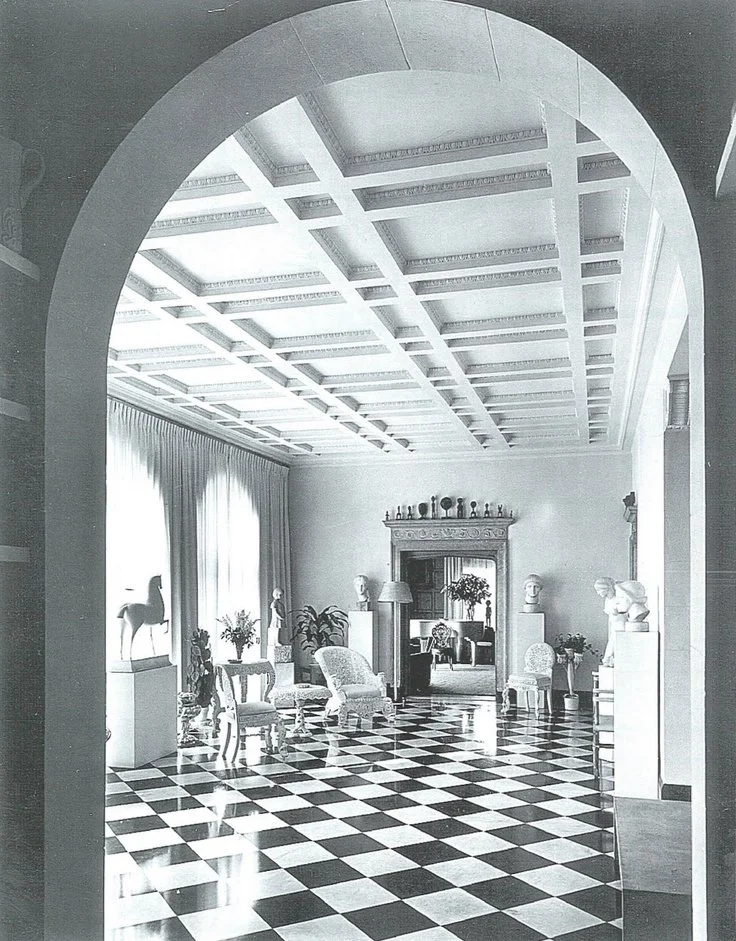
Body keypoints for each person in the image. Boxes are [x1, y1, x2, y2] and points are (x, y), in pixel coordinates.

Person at [594, 576, 627, 666]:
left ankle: (609, 658)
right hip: (613, 624)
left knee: (616, 642)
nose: (598, 593)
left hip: (621, 624)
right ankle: (608, 658)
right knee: (612, 641)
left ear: (606, 588)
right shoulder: (608, 600)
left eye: (599, 590)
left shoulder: (618, 598)